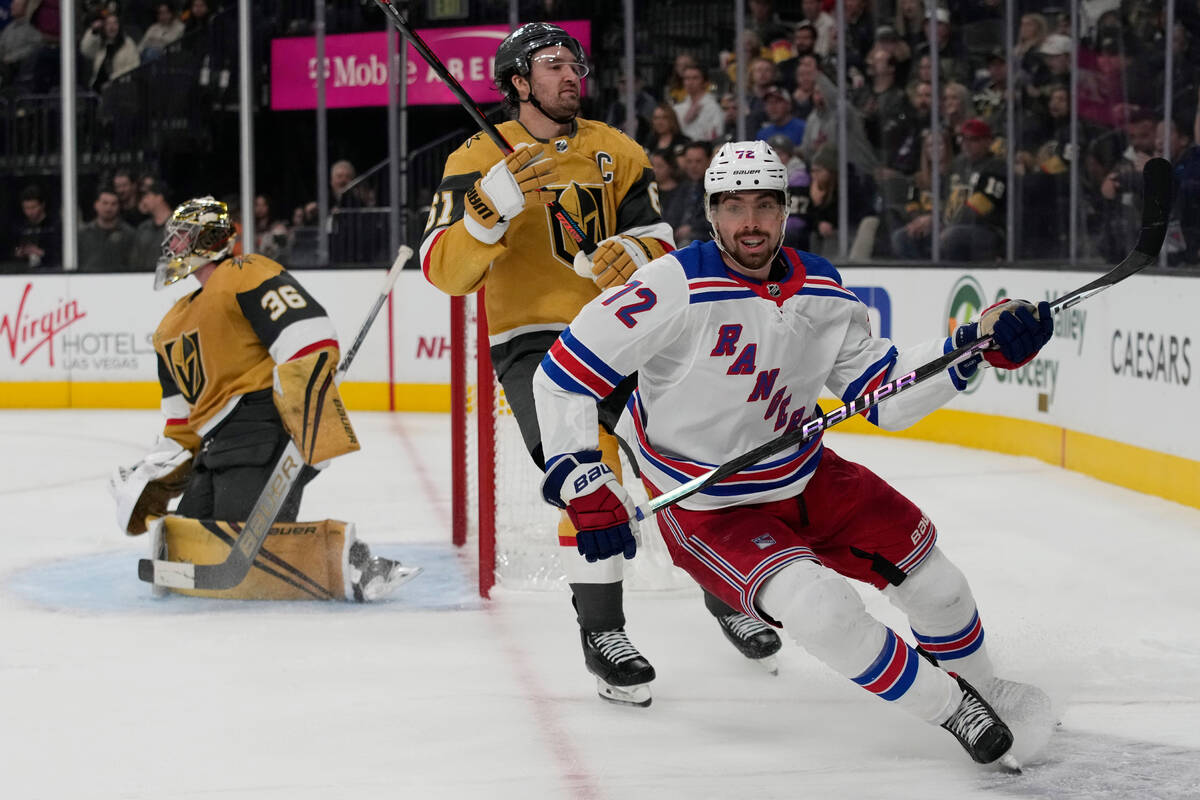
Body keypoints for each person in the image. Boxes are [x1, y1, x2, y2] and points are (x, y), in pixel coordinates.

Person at [531, 140, 1057, 767]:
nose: (749, 222)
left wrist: (970, 350)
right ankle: (954, 709)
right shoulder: (671, 285)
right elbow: (562, 375)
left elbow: (883, 395)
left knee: (940, 586)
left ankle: (987, 686)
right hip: (711, 507)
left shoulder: (824, 287)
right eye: (732, 207)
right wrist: (579, 479)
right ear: (711, 213)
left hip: (808, 477)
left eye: (764, 205)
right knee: (822, 609)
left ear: (786, 211)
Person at [420, 23, 781, 707]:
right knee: (590, 474)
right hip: (532, 341)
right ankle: (603, 634)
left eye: (574, 64)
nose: (570, 76)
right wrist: (484, 216)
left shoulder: (616, 150)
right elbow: (444, 272)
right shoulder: (473, 158)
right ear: (518, 82)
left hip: (623, 332)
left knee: (687, 461)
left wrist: (635, 255)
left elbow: (659, 236)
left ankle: (725, 588)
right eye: (552, 66)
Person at [107, 197, 419, 602]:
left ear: (208, 238)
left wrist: (306, 407)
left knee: (247, 547)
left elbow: (307, 334)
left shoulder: (243, 271)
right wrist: (153, 477)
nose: (174, 247)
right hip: (212, 453)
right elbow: (180, 425)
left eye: (183, 237)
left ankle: (359, 564)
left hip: (260, 432)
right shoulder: (169, 326)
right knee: (189, 543)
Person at [78, 186, 136, 271]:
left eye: (113, 204)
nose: (109, 208)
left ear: (119, 207)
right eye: (105, 203)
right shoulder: (82, 234)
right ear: (96, 205)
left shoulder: (129, 234)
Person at [10, 184, 60, 271]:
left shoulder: (54, 225)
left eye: (33, 207)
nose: (30, 212)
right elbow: (11, 249)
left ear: (42, 205)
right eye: (26, 208)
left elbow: (62, 254)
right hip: (24, 271)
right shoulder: (20, 227)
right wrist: (19, 252)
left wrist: (40, 252)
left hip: (51, 271)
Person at [130, 179, 172, 270]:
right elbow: (134, 261)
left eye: (147, 196)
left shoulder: (178, 227)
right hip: (143, 279)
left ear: (159, 197)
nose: (144, 201)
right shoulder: (143, 228)